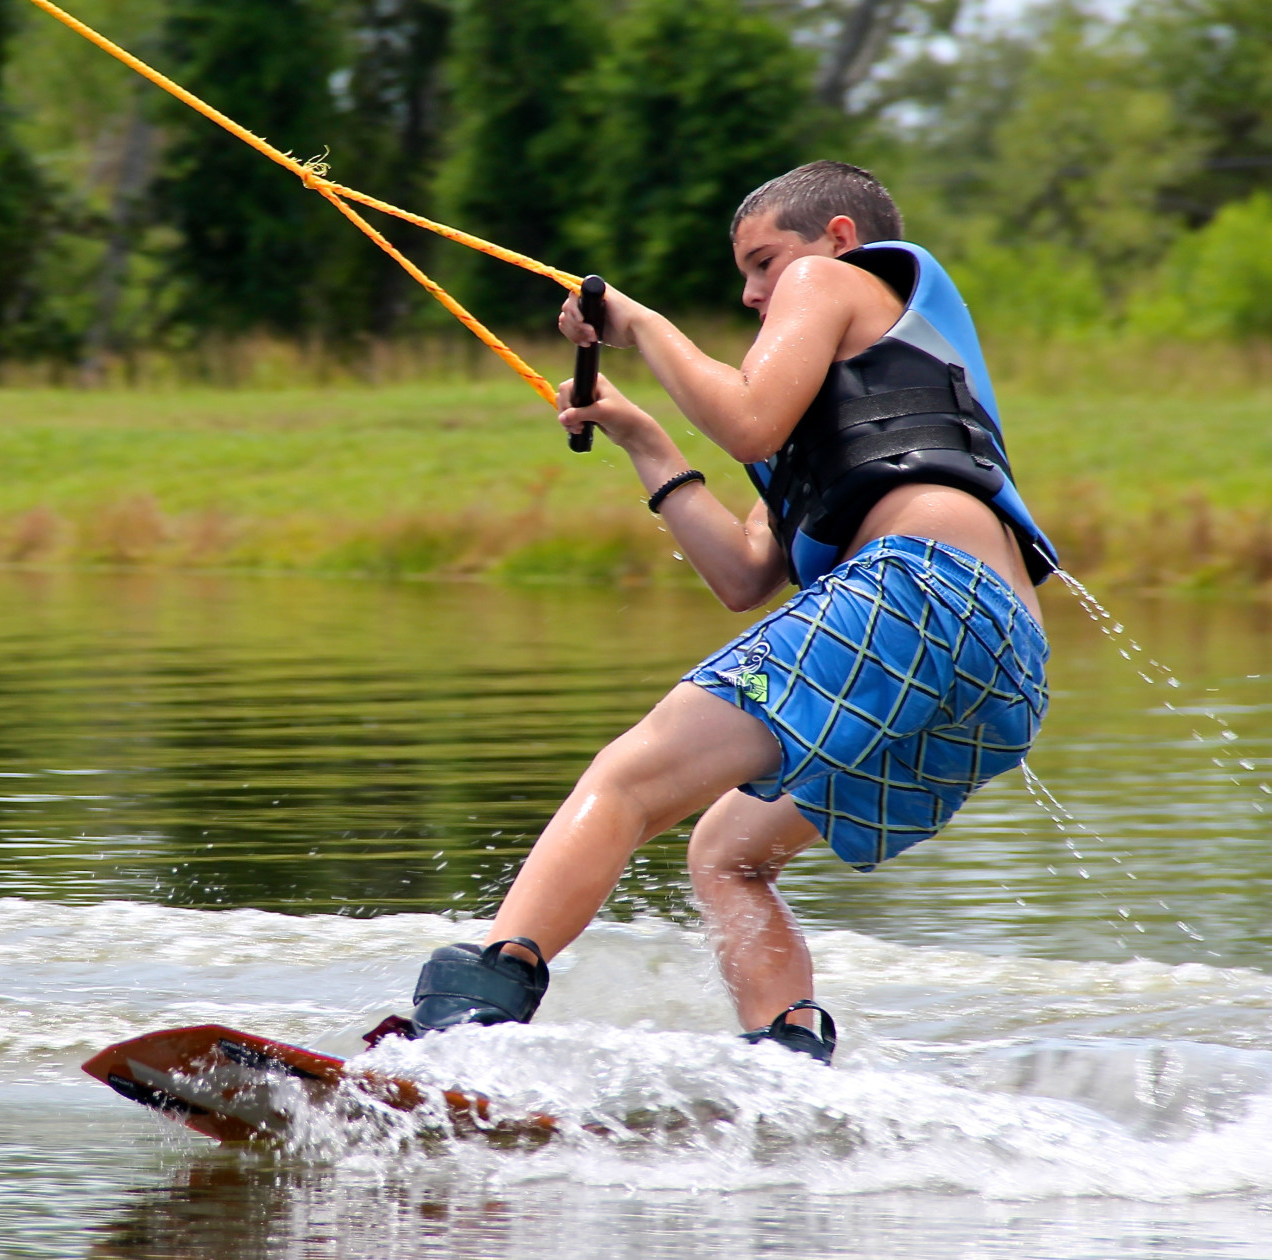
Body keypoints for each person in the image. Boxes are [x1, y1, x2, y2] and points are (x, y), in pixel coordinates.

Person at [400, 162, 1058, 1063]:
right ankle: (788, 1071)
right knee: (727, 853)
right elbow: (747, 573)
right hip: (1001, 667)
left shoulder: (829, 280)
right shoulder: (825, 432)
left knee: (630, 778)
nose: (754, 294)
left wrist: (638, 324)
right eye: (744, 277)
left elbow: (746, 421)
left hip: (921, 590)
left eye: (763, 262)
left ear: (836, 237)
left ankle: (465, 1025)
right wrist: (643, 439)